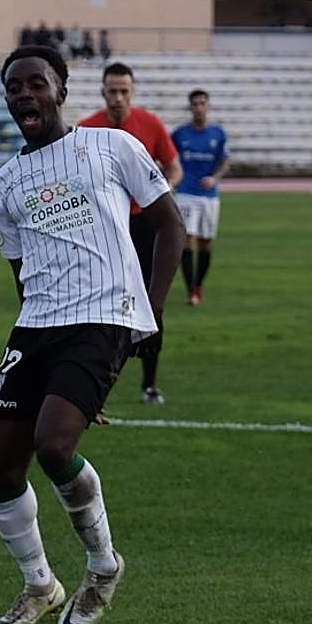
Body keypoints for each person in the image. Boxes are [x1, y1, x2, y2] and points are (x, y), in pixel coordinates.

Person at [0, 45, 184, 624]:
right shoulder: (2, 187)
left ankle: (103, 567)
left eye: (36, 83)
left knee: (53, 444)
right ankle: (40, 584)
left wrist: (151, 312)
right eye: (14, 86)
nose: (24, 94)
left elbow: (169, 223)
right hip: (38, 324)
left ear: (61, 90)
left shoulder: (112, 147)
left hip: (103, 315)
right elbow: (22, 276)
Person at [80, 62, 182, 405]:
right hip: (108, 229)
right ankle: (96, 386)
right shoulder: (86, 130)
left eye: (124, 91)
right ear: (103, 92)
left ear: (132, 91)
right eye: (112, 91)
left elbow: (174, 166)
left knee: (153, 305)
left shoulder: (150, 124)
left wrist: (160, 195)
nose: (118, 98)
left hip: (147, 226)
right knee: (104, 307)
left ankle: (149, 384)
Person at [172, 89, 229, 306]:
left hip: (210, 196)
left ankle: (198, 284)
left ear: (208, 106)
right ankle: (191, 291)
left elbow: (225, 161)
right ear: (190, 107)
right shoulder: (179, 134)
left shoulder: (218, 134)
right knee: (188, 239)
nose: (198, 108)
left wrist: (215, 178)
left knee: (206, 242)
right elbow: (169, 159)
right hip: (186, 193)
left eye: (202, 103)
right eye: (194, 104)